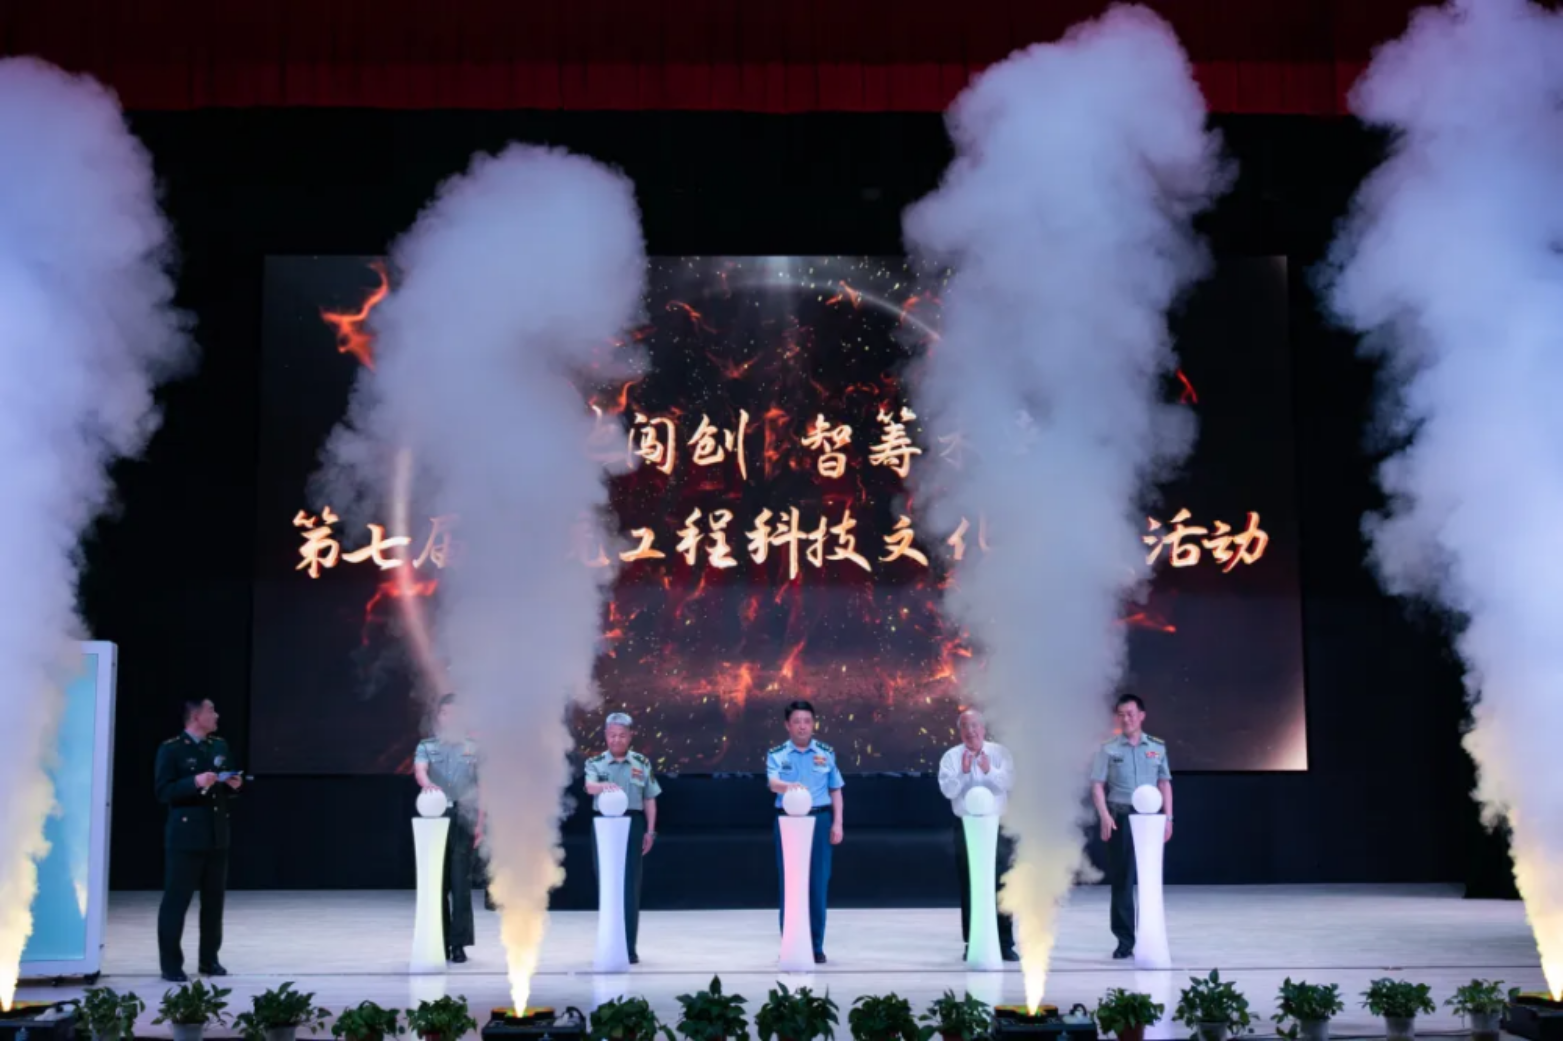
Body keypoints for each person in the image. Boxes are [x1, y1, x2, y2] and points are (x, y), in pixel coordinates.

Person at [155, 698, 241, 982]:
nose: (216, 715)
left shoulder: (218, 746)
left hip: (216, 835)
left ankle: (209, 960)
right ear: (195, 716)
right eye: (211, 711)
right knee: (177, 901)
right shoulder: (172, 749)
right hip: (186, 836)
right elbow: (163, 791)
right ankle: (171, 965)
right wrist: (194, 782)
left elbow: (223, 787)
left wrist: (232, 785)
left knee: (214, 903)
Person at [1089, 693, 1173, 959]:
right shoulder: (1108, 749)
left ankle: (1151, 935)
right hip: (1121, 817)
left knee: (1150, 879)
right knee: (1123, 880)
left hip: (1150, 819)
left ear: (1142, 716)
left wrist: (1169, 817)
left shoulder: (1157, 747)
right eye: (1121, 715)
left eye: (1131, 714)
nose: (1126, 719)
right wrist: (1105, 816)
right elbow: (1097, 785)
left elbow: (1164, 783)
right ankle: (1125, 940)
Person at [937, 709, 1018, 961]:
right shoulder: (951, 757)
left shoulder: (1000, 753)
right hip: (966, 827)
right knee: (970, 883)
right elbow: (948, 791)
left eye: (974, 725)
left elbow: (1008, 784)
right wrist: (963, 772)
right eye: (965, 726)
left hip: (998, 826)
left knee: (1001, 883)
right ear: (959, 731)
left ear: (983, 728)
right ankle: (973, 942)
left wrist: (989, 770)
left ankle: (1004, 943)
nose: (970, 731)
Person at [766, 699, 844, 964]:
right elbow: (773, 783)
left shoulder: (826, 753)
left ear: (813, 724)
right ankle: (790, 943)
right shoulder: (778, 754)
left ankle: (816, 945)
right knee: (790, 885)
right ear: (787, 725)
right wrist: (789, 787)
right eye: (797, 721)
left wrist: (837, 823)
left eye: (807, 721)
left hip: (819, 820)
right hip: (788, 821)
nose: (802, 726)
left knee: (818, 883)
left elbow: (836, 789)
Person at [583, 712, 661, 964]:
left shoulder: (641, 763)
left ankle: (628, 948)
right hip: (605, 825)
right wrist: (607, 787)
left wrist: (650, 830)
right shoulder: (596, 762)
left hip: (633, 822)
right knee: (607, 884)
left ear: (630, 736)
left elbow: (649, 798)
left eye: (622, 736)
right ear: (606, 735)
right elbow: (590, 786)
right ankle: (608, 944)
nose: (617, 740)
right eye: (612, 735)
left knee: (630, 885)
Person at [414, 693, 483, 964]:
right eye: (445, 714)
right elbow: (420, 770)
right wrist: (426, 784)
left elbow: (483, 787)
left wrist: (480, 823)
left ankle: (458, 944)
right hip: (435, 816)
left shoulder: (475, 748)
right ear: (439, 717)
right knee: (437, 884)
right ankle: (438, 940)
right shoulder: (427, 746)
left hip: (464, 817)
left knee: (460, 884)